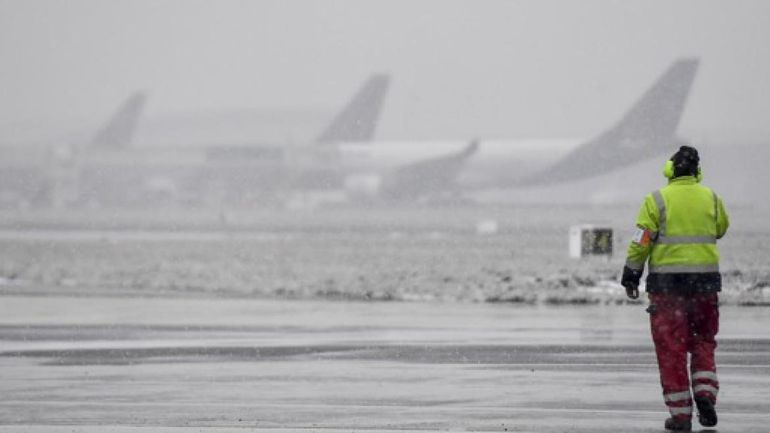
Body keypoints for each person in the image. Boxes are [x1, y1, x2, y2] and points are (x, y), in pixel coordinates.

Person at [621, 145, 729, 431]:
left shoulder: (656, 200)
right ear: (698, 172)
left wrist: (632, 273)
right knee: (703, 342)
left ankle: (681, 415)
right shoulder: (712, 198)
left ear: (669, 171)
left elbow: (641, 240)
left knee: (672, 349)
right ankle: (705, 393)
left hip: (668, 289)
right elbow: (720, 229)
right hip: (705, 285)